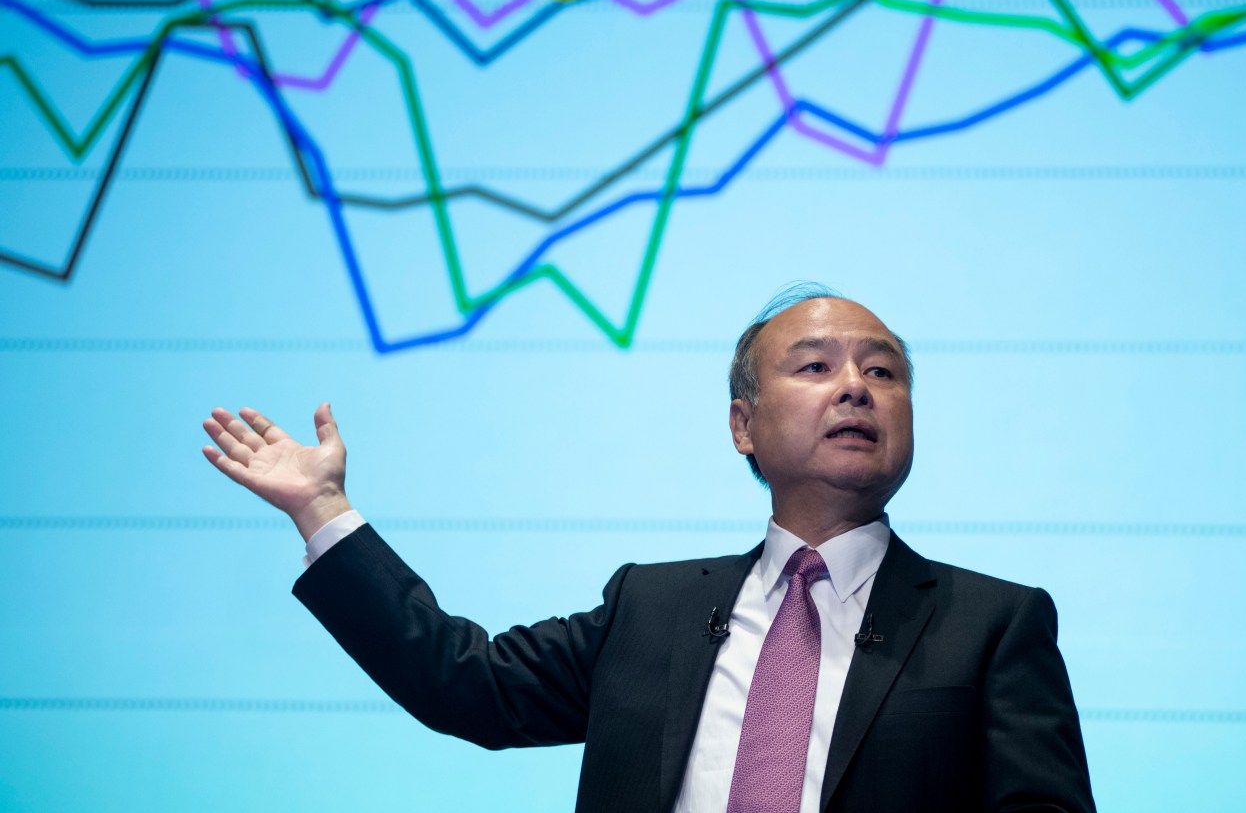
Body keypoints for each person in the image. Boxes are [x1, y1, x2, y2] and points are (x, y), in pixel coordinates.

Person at [202, 285, 1096, 813]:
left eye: (884, 370)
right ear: (742, 425)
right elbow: (462, 682)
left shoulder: (993, 623)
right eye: (816, 367)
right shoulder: (651, 608)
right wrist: (323, 510)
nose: (856, 387)